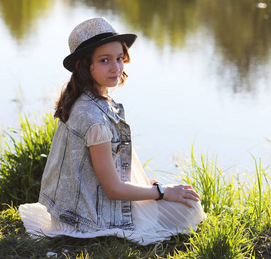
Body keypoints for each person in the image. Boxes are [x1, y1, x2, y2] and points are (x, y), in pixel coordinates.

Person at [19, 17, 206, 245]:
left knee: (183, 197)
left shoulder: (82, 98)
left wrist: (147, 185)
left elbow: (108, 169)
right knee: (190, 209)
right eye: (105, 60)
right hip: (91, 218)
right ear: (83, 66)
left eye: (119, 58)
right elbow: (113, 189)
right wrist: (161, 191)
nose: (116, 68)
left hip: (77, 207)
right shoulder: (94, 117)